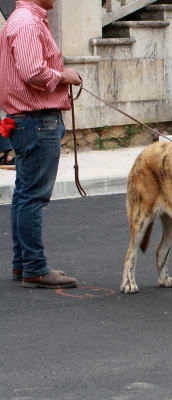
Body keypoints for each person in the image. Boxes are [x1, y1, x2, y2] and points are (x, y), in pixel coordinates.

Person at [0, 0, 82, 288]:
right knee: (32, 196)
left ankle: (24, 264)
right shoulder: (28, 22)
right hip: (35, 122)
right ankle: (34, 267)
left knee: (24, 194)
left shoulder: (24, 19)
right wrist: (65, 76)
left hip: (27, 121)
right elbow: (33, 72)